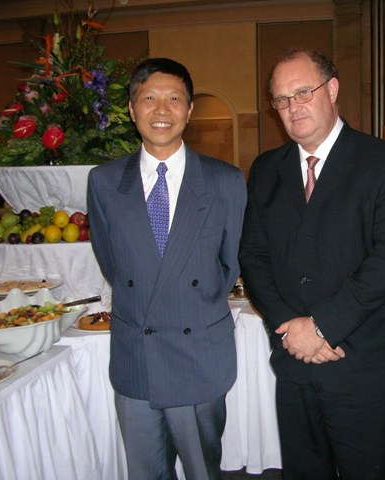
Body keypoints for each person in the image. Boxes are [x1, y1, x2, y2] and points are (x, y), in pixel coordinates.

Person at [239, 49, 385, 480]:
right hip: (294, 363)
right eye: (281, 99)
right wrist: (290, 328)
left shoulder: (383, 160)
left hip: (361, 368)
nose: (292, 107)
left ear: (332, 89)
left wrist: (321, 327)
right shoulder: (266, 169)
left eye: (303, 92)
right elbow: (254, 256)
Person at [87, 57, 246, 480]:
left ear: (189, 110)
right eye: (149, 99)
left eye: (174, 99)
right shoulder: (103, 182)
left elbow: (230, 264)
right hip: (135, 352)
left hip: (199, 356)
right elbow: (112, 260)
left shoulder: (225, 181)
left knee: (202, 471)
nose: (162, 110)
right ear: (132, 108)